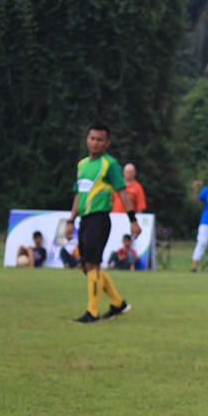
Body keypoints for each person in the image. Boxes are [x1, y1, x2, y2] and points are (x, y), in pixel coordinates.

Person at [69, 123, 139, 323]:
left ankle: (92, 313)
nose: (95, 142)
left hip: (99, 219)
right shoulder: (82, 165)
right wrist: (70, 220)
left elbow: (122, 193)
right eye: (92, 138)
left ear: (107, 143)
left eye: (100, 139)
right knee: (87, 267)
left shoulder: (110, 164)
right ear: (87, 139)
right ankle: (118, 304)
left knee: (92, 265)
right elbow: (78, 194)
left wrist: (132, 220)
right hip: (84, 219)